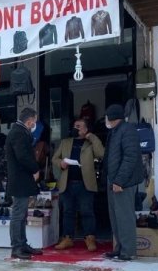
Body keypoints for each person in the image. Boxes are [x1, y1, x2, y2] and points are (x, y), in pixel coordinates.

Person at [52, 118, 104, 251]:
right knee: (68, 212)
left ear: (86, 128)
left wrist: (90, 136)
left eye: (79, 126)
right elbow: (54, 158)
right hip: (67, 183)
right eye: (75, 126)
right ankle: (68, 238)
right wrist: (61, 163)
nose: (76, 128)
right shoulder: (65, 142)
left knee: (87, 212)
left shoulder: (90, 143)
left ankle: (90, 239)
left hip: (85, 183)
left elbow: (101, 153)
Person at [102, 103, 143, 261]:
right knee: (115, 216)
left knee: (125, 217)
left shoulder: (127, 131)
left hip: (122, 182)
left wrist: (119, 181)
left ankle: (128, 251)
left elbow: (130, 158)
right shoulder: (115, 132)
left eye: (107, 117)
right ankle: (119, 247)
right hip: (113, 180)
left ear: (112, 118)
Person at [4, 107, 42, 260]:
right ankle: (16, 246)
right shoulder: (18, 133)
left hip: (21, 179)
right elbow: (23, 156)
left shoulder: (19, 131)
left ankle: (22, 243)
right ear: (29, 120)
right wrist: (35, 169)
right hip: (20, 179)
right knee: (18, 214)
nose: (35, 124)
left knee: (22, 214)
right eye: (34, 120)